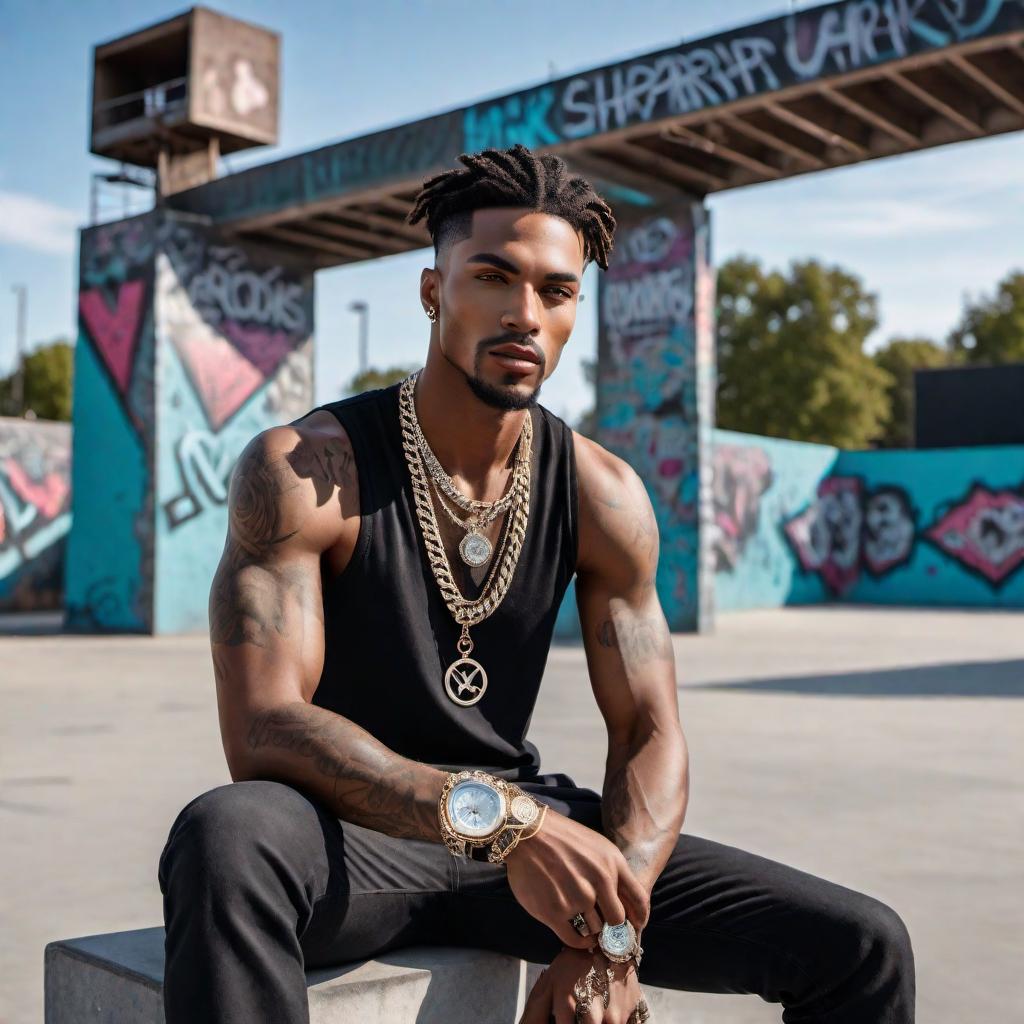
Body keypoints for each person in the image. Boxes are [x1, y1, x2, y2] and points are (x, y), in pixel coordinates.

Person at [158, 143, 915, 1024]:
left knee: (862, 946)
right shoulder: (309, 470)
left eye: (556, 292)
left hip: (529, 835)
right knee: (225, 837)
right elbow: (263, 726)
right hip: (350, 836)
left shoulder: (604, 494)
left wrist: (609, 933)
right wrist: (499, 823)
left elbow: (647, 728)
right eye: (493, 277)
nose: (525, 314)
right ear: (433, 290)